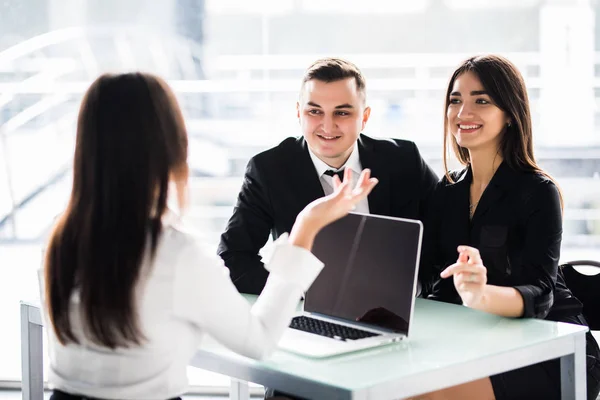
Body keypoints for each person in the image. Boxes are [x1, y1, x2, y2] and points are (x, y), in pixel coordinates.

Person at [40, 72, 378, 400]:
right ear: (172, 146)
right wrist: (307, 225)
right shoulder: (176, 253)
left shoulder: (59, 236)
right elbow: (258, 342)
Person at [417, 55, 600, 400]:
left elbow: (541, 296)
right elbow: (432, 278)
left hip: (551, 353)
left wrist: (479, 295)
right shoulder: (447, 191)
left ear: (510, 115)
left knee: (425, 394)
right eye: (455, 100)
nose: (462, 112)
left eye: (481, 101)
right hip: (479, 342)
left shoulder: (537, 191)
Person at [218, 57, 438, 295]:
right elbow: (232, 258)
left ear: (364, 117)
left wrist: (412, 289)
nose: (327, 126)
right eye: (314, 111)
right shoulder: (268, 170)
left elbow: (444, 239)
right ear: (299, 113)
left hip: (395, 311)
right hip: (307, 312)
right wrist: (299, 291)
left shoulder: (404, 160)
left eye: (342, 113)